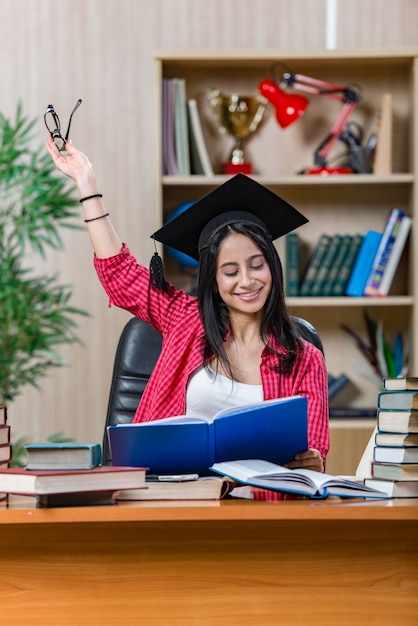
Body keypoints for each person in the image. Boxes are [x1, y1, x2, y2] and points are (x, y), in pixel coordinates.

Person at [45, 135, 329, 497]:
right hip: (172, 503)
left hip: (261, 513)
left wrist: (312, 462)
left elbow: (317, 458)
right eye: (230, 271)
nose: (247, 281)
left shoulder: (304, 359)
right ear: (212, 281)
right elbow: (120, 274)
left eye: (257, 265)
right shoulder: (185, 320)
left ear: (273, 268)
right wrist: (86, 182)